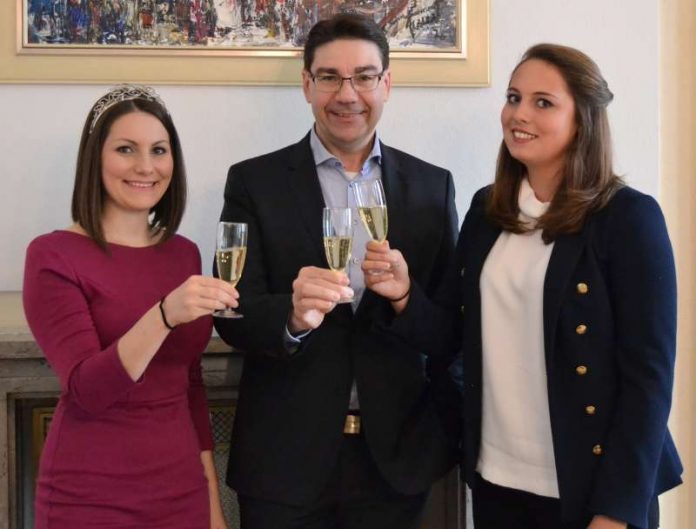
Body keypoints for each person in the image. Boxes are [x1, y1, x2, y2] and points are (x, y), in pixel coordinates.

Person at [366, 43, 683, 529]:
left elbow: (649, 381)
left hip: (592, 489)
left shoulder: (627, 219)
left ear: (583, 119)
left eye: (543, 102)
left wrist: (617, 511)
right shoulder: (488, 209)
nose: (519, 114)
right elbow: (452, 336)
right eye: (514, 97)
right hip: (498, 482)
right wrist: (404, 295)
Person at [214, 13, 460, 529]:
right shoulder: (251, 182)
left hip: (395, 468)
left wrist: (405, 298)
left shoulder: (432, 189)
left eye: (364, 76)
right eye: (329, 77)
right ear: (307, 85)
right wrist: (292, 316)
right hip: (283, 467)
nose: (347, 94)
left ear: (386, 84)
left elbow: (451, 332)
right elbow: (229, 314)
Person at [23, 84, 238, 529]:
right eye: (126, 149)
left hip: (181, 487)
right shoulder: (53, 255)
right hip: (90, 492)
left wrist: (211, 499)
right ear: (95, 159)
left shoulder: (184, 254)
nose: (145, 166)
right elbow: (87, 390)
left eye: (159, 150)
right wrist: (162, 316)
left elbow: (190, 384)